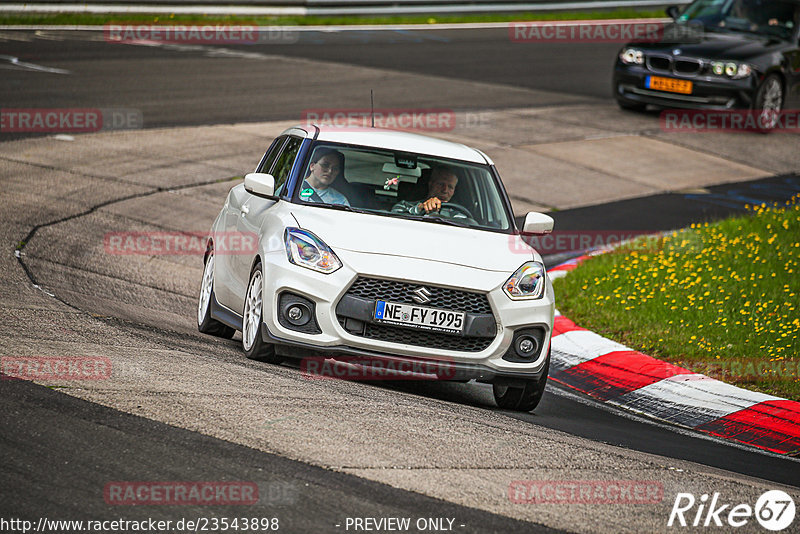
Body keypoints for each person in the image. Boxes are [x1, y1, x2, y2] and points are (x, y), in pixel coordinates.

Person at [391, 165, 467, 218]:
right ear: (431, 184)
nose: (445, 190)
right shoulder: (405, 205)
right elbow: (394, 216)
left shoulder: (457, 214)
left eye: (450, 187)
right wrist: (419, 209)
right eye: (441, 184)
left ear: (454, 191)